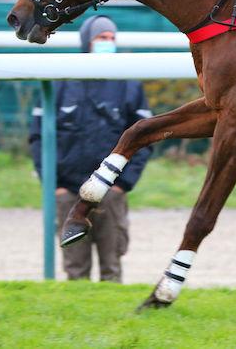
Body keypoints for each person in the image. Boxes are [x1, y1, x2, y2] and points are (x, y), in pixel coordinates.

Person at [29, 15, 152, 282]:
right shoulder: (60, 80)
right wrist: (54, 186)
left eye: (111, 38)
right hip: (68, 193)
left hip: (110, 192)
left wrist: (123, 185)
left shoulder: (128, 83)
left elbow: (145, 138)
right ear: (87, 41)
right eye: (101, 38)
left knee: (112, 267)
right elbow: (38, 137)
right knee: (75, 270)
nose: (107, 43)